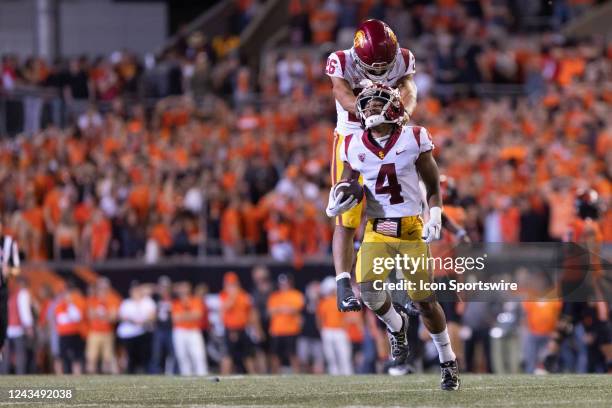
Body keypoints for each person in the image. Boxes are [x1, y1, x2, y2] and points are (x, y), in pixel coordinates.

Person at [325, 85, 460, 390]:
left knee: (425, 302)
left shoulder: (414, 137)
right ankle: (397, 328)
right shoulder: (352, 143)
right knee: (370, 293)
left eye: (376, 103)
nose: (370, 108)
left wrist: (435, 215)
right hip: (377, 227)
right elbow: (347, 183)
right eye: (367, 104)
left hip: (411, 228)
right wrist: (338, 197)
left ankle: (448, 360)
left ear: (395, 108)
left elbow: (433, 186)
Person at [325, 19, 418, 311]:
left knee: (398, 207)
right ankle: (343, 283)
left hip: (388, 133)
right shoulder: (341, 60)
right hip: (353, 136)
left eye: (384, 67)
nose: (379, 73)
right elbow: (340, 92)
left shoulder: (403, 57)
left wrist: (402, 115)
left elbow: (410, 90)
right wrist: (365, 110)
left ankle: (403, 284)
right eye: (372, 68)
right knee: (347, 212)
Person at [219, 271, 258, 374]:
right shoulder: (224, 295)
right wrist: (233, 296)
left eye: (233, 284)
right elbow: (225, 307)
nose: (232, 286)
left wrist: (255, 327)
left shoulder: (244, 295)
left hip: (243, 328)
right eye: (229, 284)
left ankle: (253, 376)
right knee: (228, 355)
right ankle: (224, 376)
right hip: (230, 328)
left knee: (247, 354)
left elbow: (250, 311)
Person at [267, 273, 304, 373]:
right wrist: (283, 308)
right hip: (277, 330)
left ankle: (297, 374)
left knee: (292, 354)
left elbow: (294, 309)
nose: (284, 285)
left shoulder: (296, 294)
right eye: (282, 284)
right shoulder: (274, 296)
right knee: (274, 354)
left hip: (291, 330)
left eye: (286, 283)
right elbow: (270, 311)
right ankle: (275, 375)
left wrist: (280, 309)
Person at [117, 281, 155, 374]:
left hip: (143, 333)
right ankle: (130, 373)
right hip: (129, 334)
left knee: (144, 356)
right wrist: (134, 321)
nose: (135, 292)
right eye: (134, 290)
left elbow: (152, 316)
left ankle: (145, 373)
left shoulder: (147, 301)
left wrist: (143, 322)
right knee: (130, 357)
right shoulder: (126, 303)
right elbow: (121, 317)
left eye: (137, 290)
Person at [317, 277, 353, 375]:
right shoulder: (323, 302)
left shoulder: (341, 300)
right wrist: (322, 330)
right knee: (330, 356)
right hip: (328, 330)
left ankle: (347, 373)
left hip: (340, 331)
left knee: (344, 354)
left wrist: (345, 328)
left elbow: (347, 317)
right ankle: (334, 373)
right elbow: (320, 318)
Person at [172, 282, 208, 376]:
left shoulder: (195, 300)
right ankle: (186, 377)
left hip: (193, 331)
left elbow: (198, 315)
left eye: (185, 287)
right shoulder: (176, 302)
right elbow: (175, 318)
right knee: (182, 356)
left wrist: (183, 316)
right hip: (180, 331)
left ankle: (202, 375)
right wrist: (190, 315)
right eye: (182, 288)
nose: (183, 290)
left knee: (198, 355)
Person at [85, 277, 119, 374]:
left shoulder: (113, 298)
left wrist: (100, 316)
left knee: (107, 359)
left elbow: (113, 317)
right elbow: (90, 315)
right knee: (91, 358)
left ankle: (106, 382)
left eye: (105, 287)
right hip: (94, 332)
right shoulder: (92, 299)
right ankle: (90, 382)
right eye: (100, 287)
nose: (102, 289)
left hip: (107, 332)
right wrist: (105, 316)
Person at [54, 282, 85, 375]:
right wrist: (70, 315)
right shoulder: (60, 305)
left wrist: (71, 307)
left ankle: (77, 375)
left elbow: (78, 317)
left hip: (75, 333)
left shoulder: (74, 304)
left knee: (76, 356)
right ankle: (60, 375)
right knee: (61, 356)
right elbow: (62, 319)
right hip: (63, 334)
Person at [149, 276, 175, 375]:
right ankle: (155, 372)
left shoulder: (174, 297)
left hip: (171, 329)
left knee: (172, 352)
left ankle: (173, 372)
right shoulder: (155, 297)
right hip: (159, 329)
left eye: (166, 287)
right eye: (162, 287)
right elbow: (145, 289)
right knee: (156, 353)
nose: (164, 289)